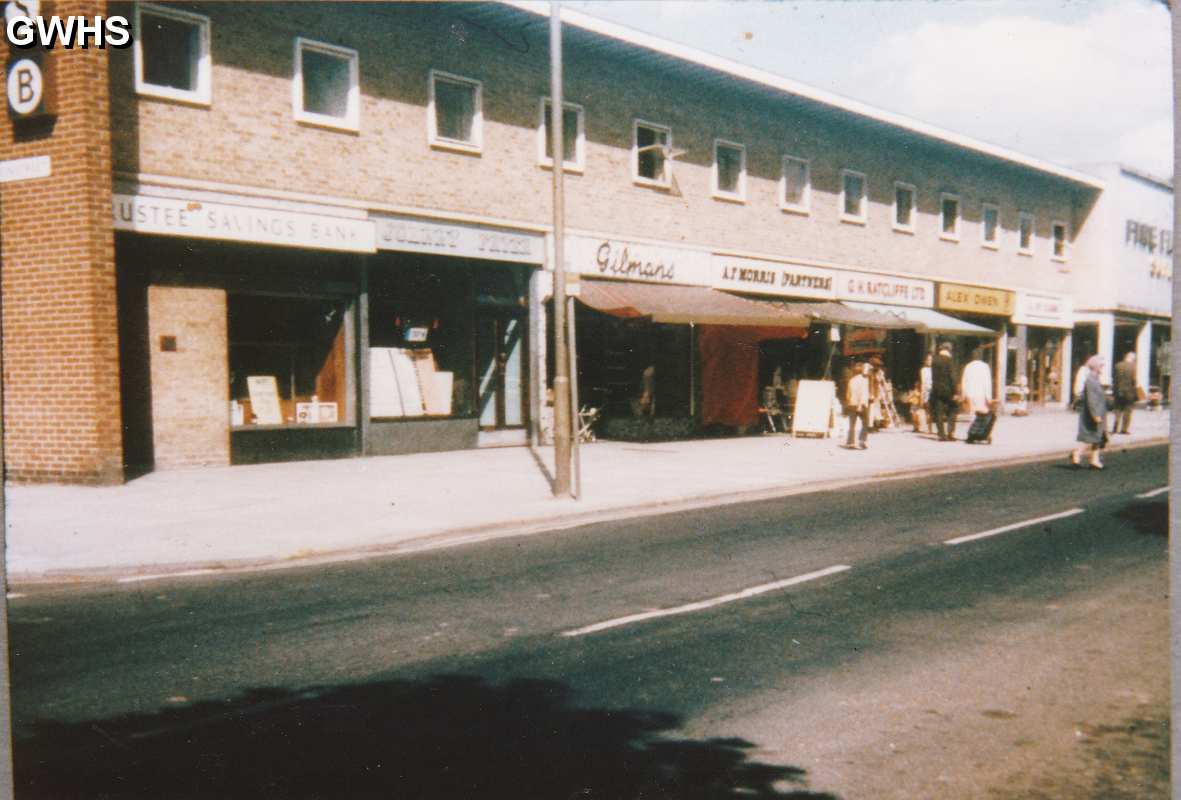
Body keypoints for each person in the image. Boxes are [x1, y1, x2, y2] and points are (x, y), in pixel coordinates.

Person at [1072, 355, 1108, 470]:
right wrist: (1095, 415)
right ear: (1095, 366)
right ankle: (1077, 453)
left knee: (1098, 437)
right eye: (1101, 365)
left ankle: (1094, 460)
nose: (1103, 367)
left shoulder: (1096, 378)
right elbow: (1092, 399)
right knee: (1091, 437)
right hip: (1093, 413)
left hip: (1099, 411)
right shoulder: (1091, 380)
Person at [930, 341, 958, 441]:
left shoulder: (934, 360)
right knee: (953, 410)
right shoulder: (949, 360)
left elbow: (933, 376)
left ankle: (941, 434)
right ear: (949, 349)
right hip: (949, 390)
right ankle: (950, 432)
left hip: (937, 389)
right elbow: (953, 377)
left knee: (938, 412)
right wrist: (956, 392)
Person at [845, 361, 871, 450]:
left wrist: (848, 403)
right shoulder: (864, 380)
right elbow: (862, 394)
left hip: (852, 403)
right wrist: (860, 406)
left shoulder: (851, 380)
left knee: (852, 424)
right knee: (865, 422)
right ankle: (862, 441)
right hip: (861, 404)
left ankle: (850, 442)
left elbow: (848, 393)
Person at [960, 347, 993, 416]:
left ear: (972, 356)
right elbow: (987, 383)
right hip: (981, 394)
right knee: (982, 414)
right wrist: (988, 397)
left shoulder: (968, 366)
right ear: (981, 356)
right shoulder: (985, 366)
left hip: (970, 393)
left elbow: (964, 382)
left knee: (972, 414)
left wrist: (963, 395)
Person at [1112, 351, 1138, 434]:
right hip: (1128, 392)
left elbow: (1114, 379)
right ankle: (1124, 429)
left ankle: (1115, 426)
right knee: (1127, 410)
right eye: (1134, 359)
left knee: (1117, 409)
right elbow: (1133, 381)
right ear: (1132, 358)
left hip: (1118, 391)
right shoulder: (1133, 367)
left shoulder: (1117, 365)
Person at [919, 353, 934, 433]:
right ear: (925, 361)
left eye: (931, 360)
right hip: (927, 392)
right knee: (928, 410)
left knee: (931, 411)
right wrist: (922, 395)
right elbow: (923, 383)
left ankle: (930, 427)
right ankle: (929, 427)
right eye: (928, 360)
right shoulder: (924, 370)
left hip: (934, 391)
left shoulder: (935, 369)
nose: (930, 361)